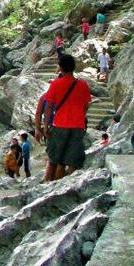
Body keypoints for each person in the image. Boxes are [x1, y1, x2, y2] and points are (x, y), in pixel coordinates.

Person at [34, 54, 92, 182]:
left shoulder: (55, 84)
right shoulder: (83, 85)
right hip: (78, 126)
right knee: (72, 161)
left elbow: (48, 107)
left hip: (60, 125)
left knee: (54, 159)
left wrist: (46, 126)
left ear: (60, 67)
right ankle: (70, 185)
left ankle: (50, 186)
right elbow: (86, 106)